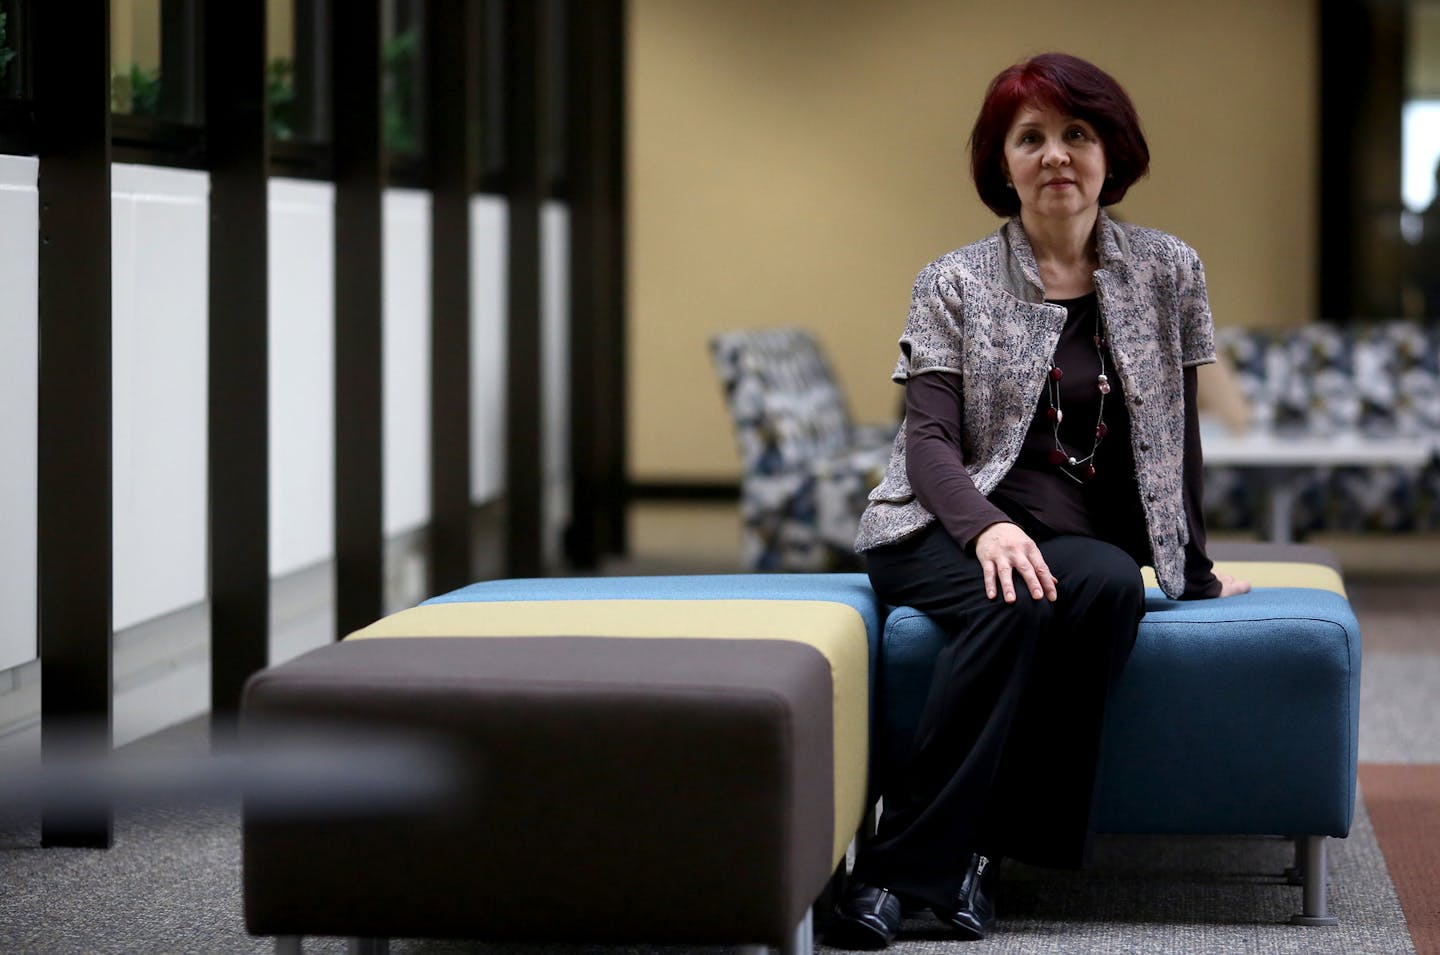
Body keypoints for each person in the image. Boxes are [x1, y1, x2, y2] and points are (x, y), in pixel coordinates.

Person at [828, 53, 1252, 949]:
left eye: (1077, 134)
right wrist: (985, 528)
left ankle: (977, 851)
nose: (1056, 155)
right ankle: (901, 869)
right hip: (938, 521)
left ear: (1110, 155)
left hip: (1067, 538)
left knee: (1105, 585)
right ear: (1003, 163)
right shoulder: (955, 280)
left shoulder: (1168, 270)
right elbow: (929, 441)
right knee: (1015, 596)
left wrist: (1198, 570)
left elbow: (1178, 434)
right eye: (1032, 139)